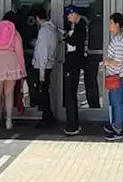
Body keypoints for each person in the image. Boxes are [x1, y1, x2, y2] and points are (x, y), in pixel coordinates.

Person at [0, 15, 26, 130]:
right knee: (9, 93)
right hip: (11, 64)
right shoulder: (15, 33)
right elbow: (20, 53)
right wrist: (23, 69)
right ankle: (9, 120)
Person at [31, 7, 60, 128]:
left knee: (42, 92)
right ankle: (48, 116)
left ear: (37, 18)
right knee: (45, 92)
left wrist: (41, 72)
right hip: (49, 65)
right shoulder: (52, 29)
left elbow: (42, 52)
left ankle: (47, 117)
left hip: (42, 66)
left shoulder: (43, 31)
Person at [102, 13, 123, 141]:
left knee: (116, 103)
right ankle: (114, 125)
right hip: (116, 75)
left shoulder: (118, 41)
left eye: (111, 23)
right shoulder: (119, 38)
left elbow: (117, 60)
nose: (110, 25)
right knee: (114, 102)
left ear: (117, 25)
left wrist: (107, 62)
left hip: (116, 75)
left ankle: (117, 129)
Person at [62, 7, 88, 135]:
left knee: (70, 94)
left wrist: (66, 37)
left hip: (73, 64)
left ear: (75, 14)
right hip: (74, 64)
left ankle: (72, 125)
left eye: (69, 15)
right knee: (71, 94)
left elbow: (74, 43)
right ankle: (73, 123)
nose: (68, 18)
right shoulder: (77, 27)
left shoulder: (81, 27)